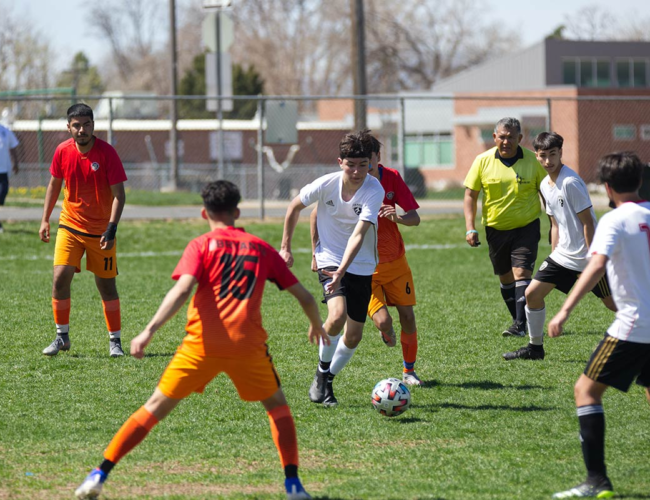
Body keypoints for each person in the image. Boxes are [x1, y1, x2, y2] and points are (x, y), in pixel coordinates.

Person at [75, 180, 326, 500]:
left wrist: (149, 330)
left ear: (203, 213)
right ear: (237, 211)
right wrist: (316, 324)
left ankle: (100, 473)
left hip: (201, 346)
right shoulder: (260, 248)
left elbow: (182, 290)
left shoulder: (201, 245)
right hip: (246, 346)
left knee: (153, 409)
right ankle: (293, 486)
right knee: (278, 408)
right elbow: (304, 295)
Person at [547, 152, 650, 499]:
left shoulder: (614, 220)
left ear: (607, 187)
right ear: (639, 181)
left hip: (633, 326)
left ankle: (596, 481)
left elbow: (595, 267)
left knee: (586, 391)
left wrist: (564, 311)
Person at [309, 132, 423, 385]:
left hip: (396, 263)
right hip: (362, 268)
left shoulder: (390, 179)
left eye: (367, 161)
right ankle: (325, 375)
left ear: (377, 158)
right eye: (357, 162)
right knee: (383, 321)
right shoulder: (343, 183)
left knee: (408, 316)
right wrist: (316, 252)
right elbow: (315, 214)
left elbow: (415, 218)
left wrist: (398, 218)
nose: (363, 168)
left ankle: (409, 371)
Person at [280, 130, 384, 407]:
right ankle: (323, 377)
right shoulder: (325, 184)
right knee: (337, 316)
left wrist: (344, 269)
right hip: (329, 258)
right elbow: (294, 207)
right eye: (351, 164)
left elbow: (359, 234)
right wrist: (286, 247)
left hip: (360, 263)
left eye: (364, 164)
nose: (358, 171)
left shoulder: (374, 190)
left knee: (354, 334)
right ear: (340, 162)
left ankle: (324, 377)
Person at [503, 132, 616, 361]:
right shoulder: (545, 184)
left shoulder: (571, 182)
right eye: (543, 156)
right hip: (563, 256)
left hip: (587, 258)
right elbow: (554, 223)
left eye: (552, 154)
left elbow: (588, 223)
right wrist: (554, 255)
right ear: (536, 156)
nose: (548, 161)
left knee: (614, 304)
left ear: (560, 153)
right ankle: (535, 349)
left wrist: (594, 257)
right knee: (531, 294)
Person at [39, 103, 127, 357]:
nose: (82, 130)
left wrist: (111, 229)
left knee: (106, 286)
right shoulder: (61, 151)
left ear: (93, 126)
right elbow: (54, 185)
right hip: (70, 225)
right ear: (68, 127)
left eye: (86, 124)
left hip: (101, 231)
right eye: (76, 125)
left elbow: (119, 195)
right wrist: (45, 219)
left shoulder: (107, 153)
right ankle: (61, 337)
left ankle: (115, 342)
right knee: (60, 277)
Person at [464, 117, 547, 337]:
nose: (506, 141)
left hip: (526, 227)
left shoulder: (533, 161)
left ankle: (520, 325)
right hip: (495, 229)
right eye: (502, 136)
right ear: (494, 137)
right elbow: (470, 196)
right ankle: (519, 320)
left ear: (520, 138)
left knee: (522, 272)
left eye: (511, 137)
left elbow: (547, 193)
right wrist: (470, 228)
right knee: (505, 277)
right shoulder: (482, 161)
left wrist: (556, 222)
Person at [0, 121, 20, 233]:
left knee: (3, 192)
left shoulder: (5, 131)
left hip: (3, 170)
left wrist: (15, 163)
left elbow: (13, 147)